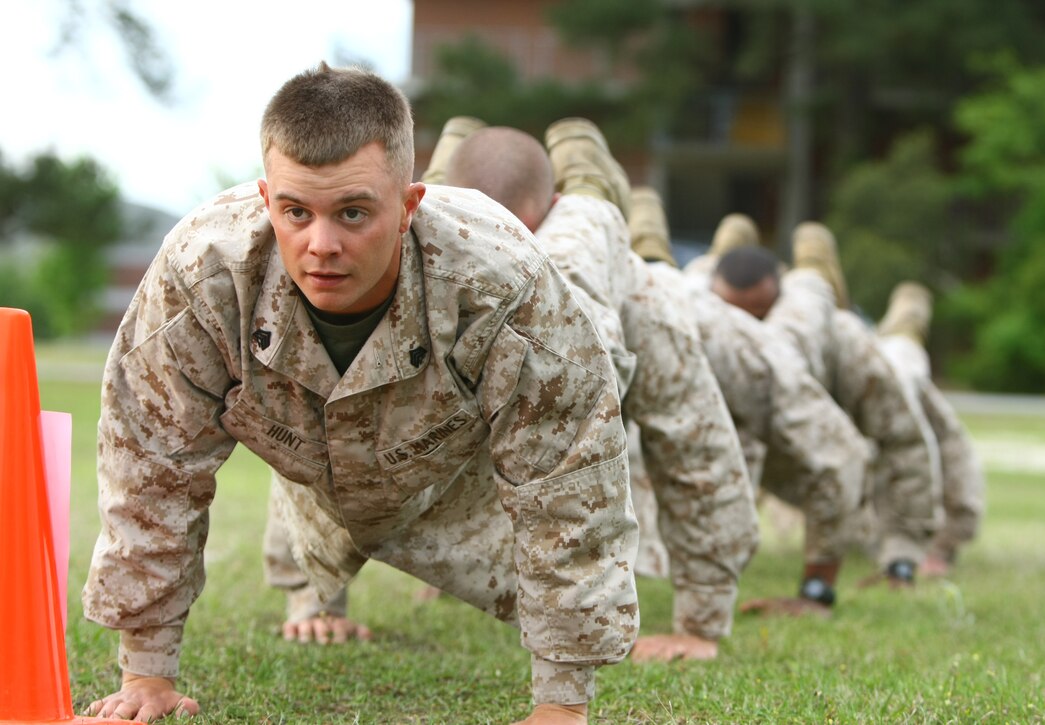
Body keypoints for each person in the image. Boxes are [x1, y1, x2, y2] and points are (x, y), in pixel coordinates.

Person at [82, 64, 641, 725]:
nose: (321, 246)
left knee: (590, 295)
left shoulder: (502, 281)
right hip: (330, 477)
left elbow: (567, 477)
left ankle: (589, 190)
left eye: (353, 212)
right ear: (266, 201)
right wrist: (146, 671)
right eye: (296, 212)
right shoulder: (203, 275)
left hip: (470, 469)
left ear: (407, 206)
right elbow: (152, 467)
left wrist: (561, 703)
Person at [443, 121, 760, 661]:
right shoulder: (431, 248)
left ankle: (587, 168)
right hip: (515, 225)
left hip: (608, 284)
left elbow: (695, 448)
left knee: (595, 214)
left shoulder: (628, 302)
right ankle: (544, 160)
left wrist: (701, 623)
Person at [627, 194, 870, 615]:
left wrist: (817, 590)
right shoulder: (671, 303)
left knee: (810, 292)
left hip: (779, 341)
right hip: (690, 300)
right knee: (670, 274)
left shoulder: (770, 364)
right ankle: (696, 242)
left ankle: (814, 260)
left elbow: (843, 461)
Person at [710, 225, 944, 586]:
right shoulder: (701, 328)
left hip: (853, 364)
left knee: (905, 360)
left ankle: (903, 320)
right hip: (796, 418)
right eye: (736, 317)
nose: (747, 332)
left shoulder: (847, 346)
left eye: (757, 314)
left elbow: (908, 443)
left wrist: (907, 553)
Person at [876, 282, 985, 576]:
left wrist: (943, 545)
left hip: (900, 371)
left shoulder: (918, 398)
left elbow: (955, 462)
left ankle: (907, 317)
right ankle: (906, 319)